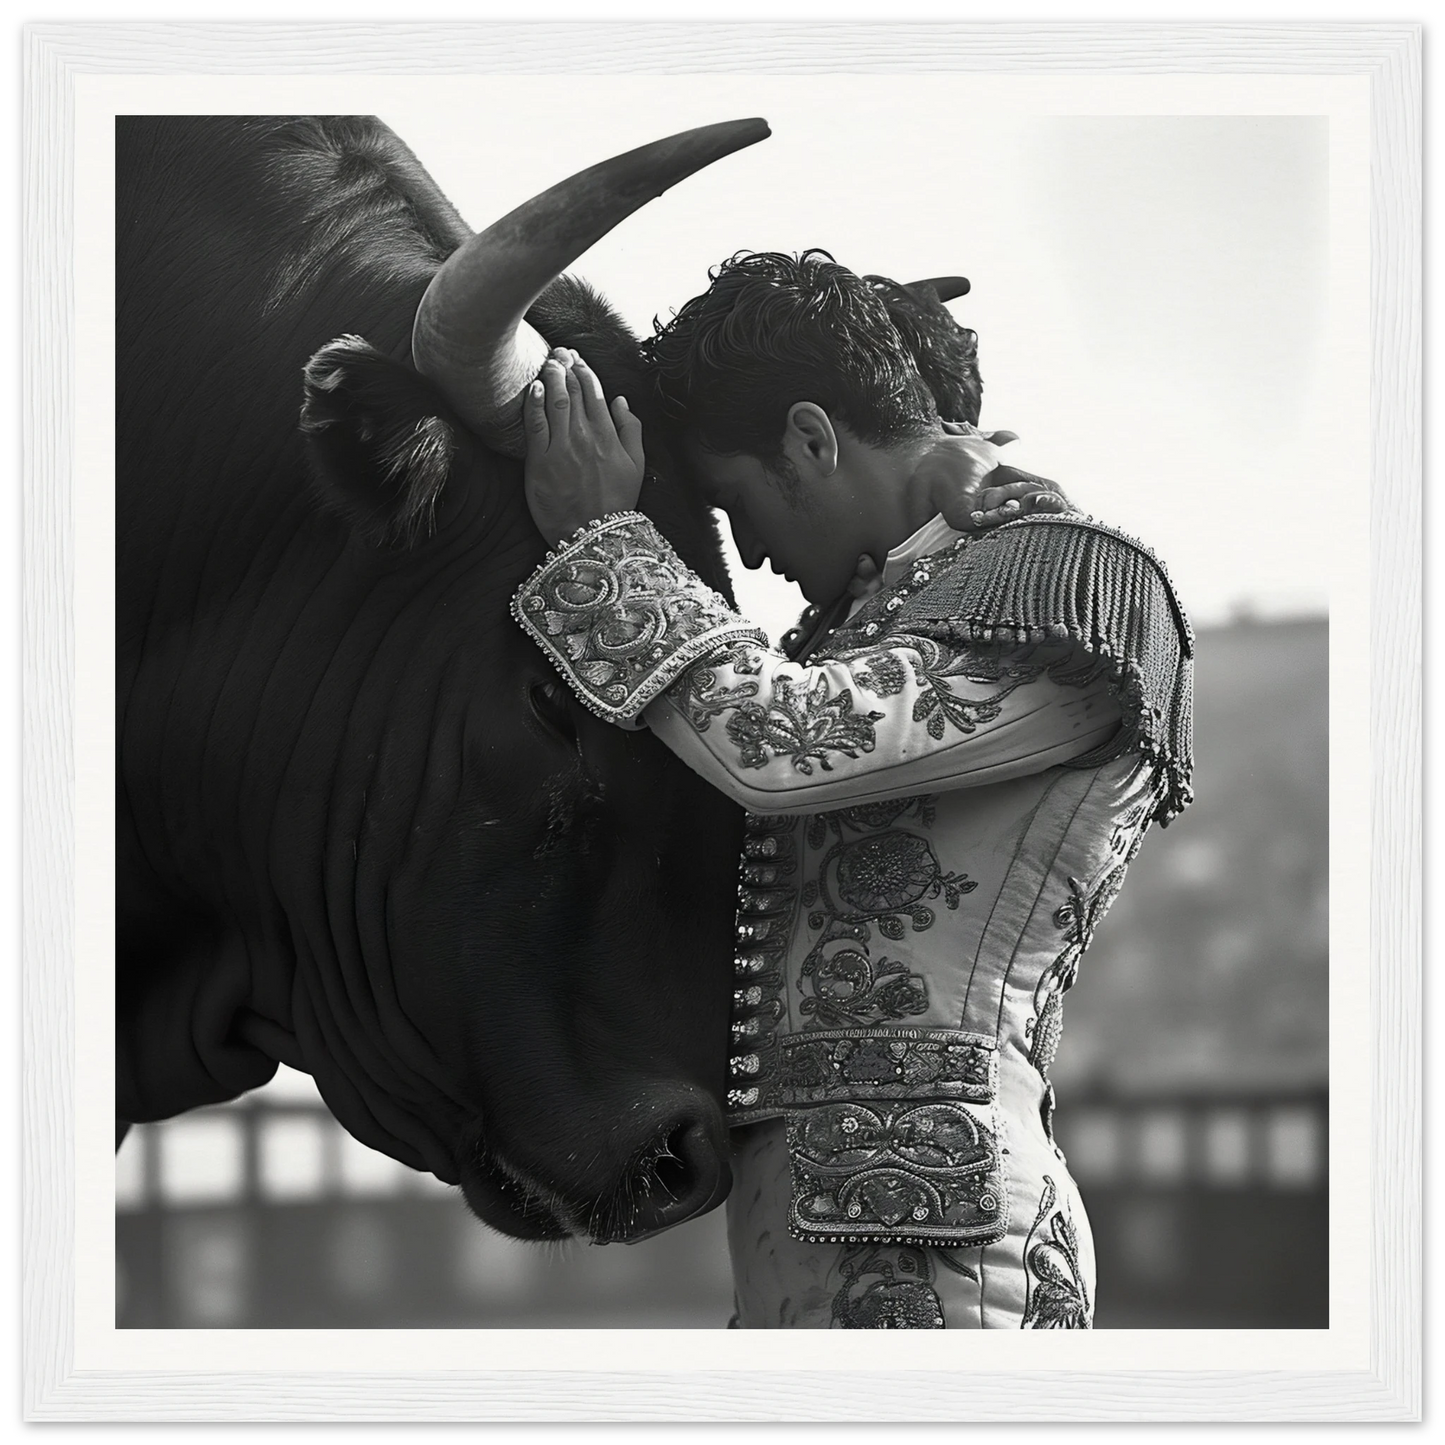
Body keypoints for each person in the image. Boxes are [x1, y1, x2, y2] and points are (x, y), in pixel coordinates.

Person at [511, 251, 1194, 1329]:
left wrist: (603, 543)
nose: (750, 557)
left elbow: (778, 743)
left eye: (735, 502)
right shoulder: (879, 612)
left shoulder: (1075, 583)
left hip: (950, 1247)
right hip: (813, 1239)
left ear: (811, 437)